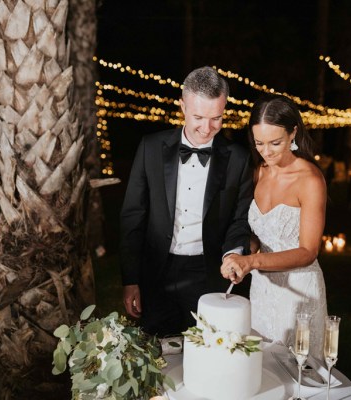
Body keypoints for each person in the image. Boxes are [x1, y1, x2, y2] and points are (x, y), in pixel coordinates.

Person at [120, 66, 253, 337]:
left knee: (210, 355)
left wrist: (233, 253)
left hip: (209, 274)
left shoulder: (239, 159)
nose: (207, 128)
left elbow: (240, 219)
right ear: (182, 106)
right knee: (157, 356)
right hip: (157, 272)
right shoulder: (150, 147)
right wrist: (130, 279)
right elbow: (133, 216)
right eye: (198, 117)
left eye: (216, 118)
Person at [220, 94, 328, 359]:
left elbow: (308, 251)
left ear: (293, 133)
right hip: (262, 289)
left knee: (297, 374)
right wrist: (242, 256)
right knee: (260, 369)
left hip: (298, 290)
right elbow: (258, 232)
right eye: (259, 143)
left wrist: (253, 262)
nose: (266, 151)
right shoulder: (258, 171)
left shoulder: (310, 180)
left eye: (275, 143)